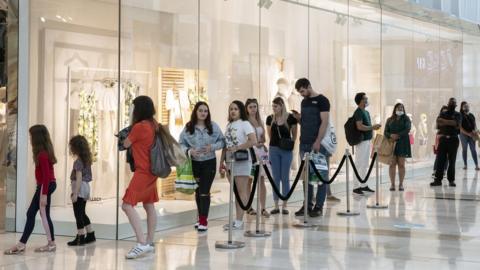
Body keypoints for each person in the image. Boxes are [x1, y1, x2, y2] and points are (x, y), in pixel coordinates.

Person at [122, 96, 173, 259]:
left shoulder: (139, 127)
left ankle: (141, 242)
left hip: (143, 171)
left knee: (126, 205)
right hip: (152, 171)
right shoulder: (154, 124)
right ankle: (149, 241)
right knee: (149, 205)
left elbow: (125, 144)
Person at [4, 125, 57, 254]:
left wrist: (43, 195)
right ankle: (50, 243)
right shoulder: (43, 153)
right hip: (46, 186)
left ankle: (25, 244)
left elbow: (46, 177)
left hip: (46, 186)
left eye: (31, 136)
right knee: (41, 214)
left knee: (33, 213)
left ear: (37, 138)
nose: (30, 139)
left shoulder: (43, 155)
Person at [179, 101, 225, 232]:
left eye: (205, 111)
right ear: (196, 112)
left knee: (204, 191)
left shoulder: (213, 126)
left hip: (209, 163)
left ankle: (204, 221)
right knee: (198, 192)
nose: (203, 113)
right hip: (194, 164)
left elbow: (222, 141)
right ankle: (200, 218)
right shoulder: (188, 127)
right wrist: (189, 151)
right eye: (201, 110)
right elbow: (180, 143)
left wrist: (212, 147)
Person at [291, 78, 330, 217]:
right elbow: (306, 122)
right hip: (304, 144)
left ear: (308, 86)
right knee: (306, 177)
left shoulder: (322, 101)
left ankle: (318, 206)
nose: (301, 94)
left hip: (317, 144)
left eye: (302, 91)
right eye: (299, 92)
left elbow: (324, 123)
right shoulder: (304, 102)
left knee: (320, 176)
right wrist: (298, 118)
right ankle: (307, 205)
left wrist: (318, 141)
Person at [220, 100, 257, 230]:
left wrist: (238, 147)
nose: (233, 111)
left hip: (242, 160)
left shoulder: (245, 124)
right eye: (231, 109)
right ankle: (236, 219)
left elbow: (253, 140)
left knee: (241, 191)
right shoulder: (229, 125)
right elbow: (226, 146)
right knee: (235, 192)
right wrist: (221, 163)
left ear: (241, 110)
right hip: (230, 162)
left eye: (236, 108)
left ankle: (239, 220)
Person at [266, 97, 298, 215]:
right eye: (273, 106)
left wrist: (290, 146)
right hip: (274, 149)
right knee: (275, 178)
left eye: (276, 106)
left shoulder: (290, 118)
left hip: (286, 150)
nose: (274, 108)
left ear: (282, 106)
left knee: (285, 177)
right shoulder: (270, 118)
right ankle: (275, 205)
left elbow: (294, 135)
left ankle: (285, 205)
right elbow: (270, 134)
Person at [67, 135, 96, 246]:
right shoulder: (86, 160)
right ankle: (90, 234)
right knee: (82, 212)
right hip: (85, 187)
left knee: (78, 214)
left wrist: (75, 193)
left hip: (79, 187)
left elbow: (78, 178)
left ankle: (80, 237)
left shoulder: (78, 162)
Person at [352, 92, 381, 196]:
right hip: (361, 142)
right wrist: (372, 127)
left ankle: (363, 184)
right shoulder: (358, 112)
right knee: (359, 163)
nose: (367, 100)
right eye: (365, 98)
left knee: (365, 164)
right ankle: (356, 186)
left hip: (368, 141)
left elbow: (367, 126)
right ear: (361, 100)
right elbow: (359, 126)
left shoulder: (366, 112)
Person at [245, 98, 270, 218]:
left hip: (261, 152)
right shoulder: (245, 122)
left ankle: (263, 207)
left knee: (261, 180)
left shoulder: (260, 120)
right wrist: (255, 143)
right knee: (249, 181)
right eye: (250, 107)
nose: (253, 109)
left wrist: (261, 143)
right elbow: (246, 139)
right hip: (250, 152)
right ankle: (248, 206)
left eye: (254, 106)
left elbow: (264, 138)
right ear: (246, 108)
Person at [431, 98, 462, 187]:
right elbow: (438, 122)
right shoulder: (443, 113)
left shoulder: (458, 114)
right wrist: (451, 122)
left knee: (452, 161)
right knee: (440, 160)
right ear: (448, 103)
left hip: (453, 139)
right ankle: (438, 180)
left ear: (456, 105)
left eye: (454, 103)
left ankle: (451, 180)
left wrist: (444, 121)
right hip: (443, 139)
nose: (452, 103)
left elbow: (457, 124)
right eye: (451, 102)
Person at [384, 103, 411, 191]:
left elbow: (407, 129)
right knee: (392, 164)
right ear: (395, 109)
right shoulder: (389, 119)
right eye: (398, 108)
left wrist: (398, 135)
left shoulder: (406, 119)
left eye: (402, 108)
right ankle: (392, 184)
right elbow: (385, 132)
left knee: (401, 165)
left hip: (402, 143)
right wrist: (391, 135)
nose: (400, 109)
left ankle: (401, 184)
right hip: (391, 144)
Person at [459, 101, 479, 170]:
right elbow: (460, 128)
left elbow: (475, 125)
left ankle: (476, 165)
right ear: (461, 108)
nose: (466, 107)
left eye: (467, 106)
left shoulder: (471, 115)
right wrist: (468, 134)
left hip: (472, 134)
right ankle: (465, 165)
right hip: (463, 135)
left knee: (473, 149)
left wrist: (476, 131)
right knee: (465, 149)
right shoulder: (460, 115)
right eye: (464, 106)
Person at [432, 106, 449, 177]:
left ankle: (444, 171)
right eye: (443, 111)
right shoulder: (438, 119)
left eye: (446, 111)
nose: (444, 112)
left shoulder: (450, 119)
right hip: (440, 138)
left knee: (447, 156)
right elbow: (434, 128)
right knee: (438, 155)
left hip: (448, 138)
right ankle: (435, 170)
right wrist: (438, 132)